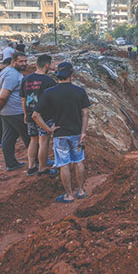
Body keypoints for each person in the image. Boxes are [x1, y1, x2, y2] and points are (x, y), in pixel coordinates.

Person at [33, 62, 90, 203]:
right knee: (78, 160)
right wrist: (83, 132)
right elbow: (85, 113)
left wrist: (48, 129)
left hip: (60, 134)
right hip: (76, 133)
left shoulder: (49, 93)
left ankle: (69, 195)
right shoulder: (80, 91)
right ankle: (81, 191)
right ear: (71, 74)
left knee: (64, 164)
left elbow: (35, 115)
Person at [0, 51, 30, 171]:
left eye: (25, 61)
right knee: (29, 136)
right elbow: (2, 95)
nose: (24, 64)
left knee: (9, 137)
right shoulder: (12, 75)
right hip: (15, 112)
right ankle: (38, 161)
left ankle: (11, 163)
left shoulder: (6, 71)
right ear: (13, 61)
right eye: (21, 61)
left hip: (6, 112)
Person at [21, 54, 57, 176]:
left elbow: (23, 98)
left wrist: (26, 114)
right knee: (43, 141)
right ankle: (42, 168)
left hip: (31, 114)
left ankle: (31, 167)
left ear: (36, 64)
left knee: (33, 140)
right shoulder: (49, 81)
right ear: (47, 65)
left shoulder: (26, 79)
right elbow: (53, 102)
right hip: (44, 116)